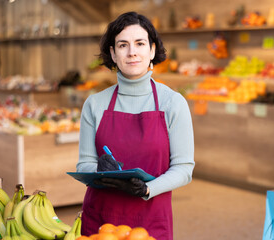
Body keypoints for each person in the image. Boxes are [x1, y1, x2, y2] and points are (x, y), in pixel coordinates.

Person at [76, 12, 195, 240]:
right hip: (101, 222)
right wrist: (97, 169)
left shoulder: (173, 103)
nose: (132, 52)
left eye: (140, 43)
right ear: (113, 53)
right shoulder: (94, 104)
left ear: (151, 50)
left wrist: (147, 189)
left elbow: (184, 168)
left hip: (150, 220)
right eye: (123, 45)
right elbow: (84, 164)